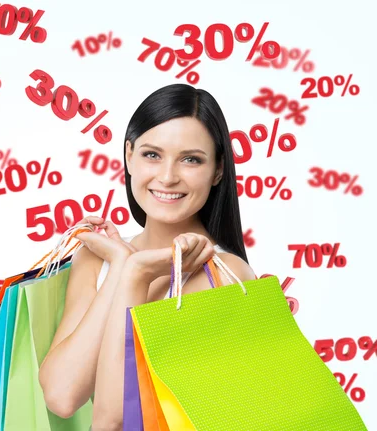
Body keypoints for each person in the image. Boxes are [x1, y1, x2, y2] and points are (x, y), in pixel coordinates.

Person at [38, 83, 257, 430]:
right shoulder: (99, 259)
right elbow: (62, 396)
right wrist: (123, 266)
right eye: (152, 154)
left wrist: (135, 275)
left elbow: (119, 418)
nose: (168, 177)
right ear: (128, 155)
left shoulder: (225, 275)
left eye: (191, 159)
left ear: (217, 170)